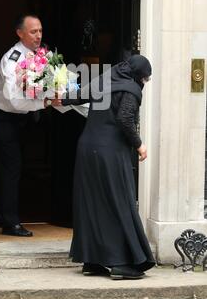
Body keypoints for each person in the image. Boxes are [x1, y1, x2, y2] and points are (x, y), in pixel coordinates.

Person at [62, 55, 155, 279]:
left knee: (93, 203)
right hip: (110, 152)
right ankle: (121, 262)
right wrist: (140, 145)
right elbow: (124, 119)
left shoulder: (104, 80)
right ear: (139, 76)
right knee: (119, 201)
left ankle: (92, 260)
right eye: (146, 78)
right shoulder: (131, 88)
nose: (144, 83)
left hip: (87, 149)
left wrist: (51, 96)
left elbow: (73, 98)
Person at [0, 14, 61, 237]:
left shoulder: (45, 55)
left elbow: (57, 81)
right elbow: (12, 98)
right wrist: (45, 102)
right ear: (20, 33)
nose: (38, 36)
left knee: (15, 166)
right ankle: (9, 222)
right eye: (33, 31)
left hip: (26, 116)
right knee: (10, 167)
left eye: (40, 31)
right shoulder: (12, 59)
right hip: (4, 115)